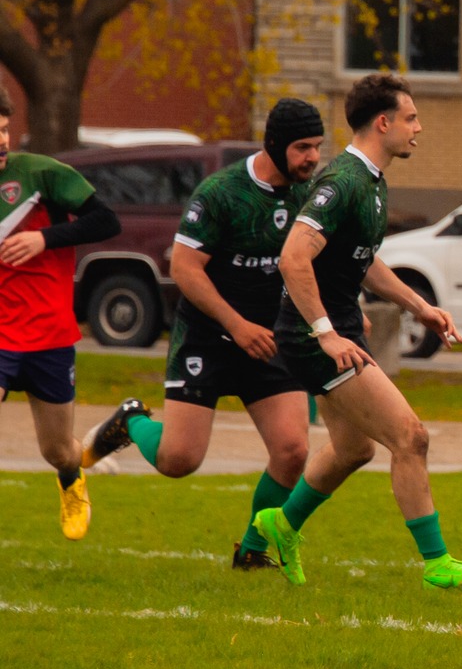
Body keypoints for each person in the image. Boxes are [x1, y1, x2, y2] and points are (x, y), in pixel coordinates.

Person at [251, 73, 462, 593]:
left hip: (330, 333)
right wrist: (326, 332)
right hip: (315, 340)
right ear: (383, 123)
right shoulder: (344, 182)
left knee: (354, 449)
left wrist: (419, 305)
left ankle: (282, 523)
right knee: (411, 437)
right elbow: (294, 257)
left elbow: (364, 260)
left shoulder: (372, 182)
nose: (418, 129)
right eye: (411, 118)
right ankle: (437, 563)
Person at [79, 100, 328, 568]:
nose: (313, 157)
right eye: (302, 148)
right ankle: (130, 421)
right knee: (180, 460)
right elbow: (184, 269)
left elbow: (318, 262)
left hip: (268, 337)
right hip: (209, 336)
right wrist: (235, 324)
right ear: (274, 144)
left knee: (293, 451)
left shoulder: (306, 196)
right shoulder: (220, 193)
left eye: (317, 146)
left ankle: (251, 553)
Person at [0, 85, 122, 539]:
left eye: (6, 130)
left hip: (49, 334)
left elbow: (108, 221)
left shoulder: (41, 174)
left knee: (59, 451)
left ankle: (72, 478)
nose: (1, 141)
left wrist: (43, 239)